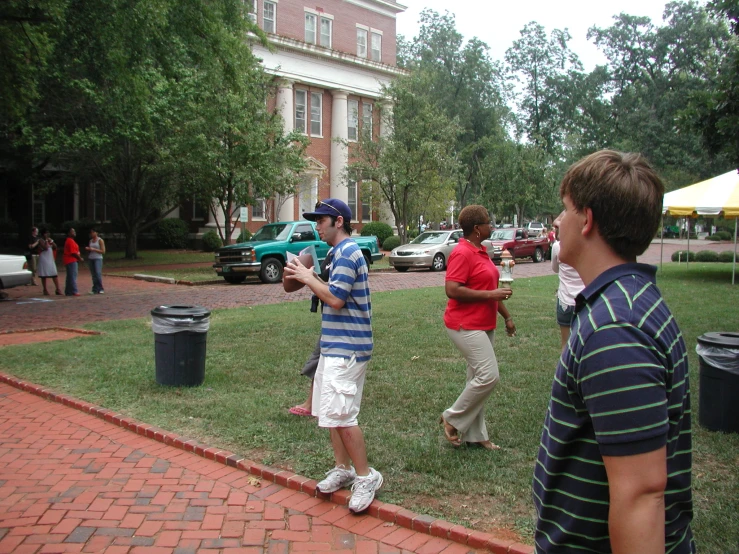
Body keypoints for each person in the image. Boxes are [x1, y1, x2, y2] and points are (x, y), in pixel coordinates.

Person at [533, 150, 694, 553]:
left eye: (565, 208)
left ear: (587, 220)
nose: (557, 220)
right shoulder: (621, 302)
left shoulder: (615, 330)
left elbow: (641, 496)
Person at [283, 198, 381, 514]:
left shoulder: (349, 253)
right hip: (334, 344)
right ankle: (343, 469)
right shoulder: (337, 253)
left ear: (338, 221)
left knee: (342, 415)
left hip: (349, 347)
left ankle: (366, 477)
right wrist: (303, 274)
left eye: (321, 220)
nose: (317, 226)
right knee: (330, 414)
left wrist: (307, 276)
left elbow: (336, 299)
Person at [440, 205, 515, 451]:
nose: (490, 226)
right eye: (487, 222)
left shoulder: (481, 251)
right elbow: (452, 290)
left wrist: (506, 316)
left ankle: (476, 435)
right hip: (464, 323)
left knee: (476, 379)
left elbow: (489, 290)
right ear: (476, 228)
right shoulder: (462, 253)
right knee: (488, 375)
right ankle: (452, 417)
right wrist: (492, 293)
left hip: (484, 323)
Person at [550, 211, 584, 349]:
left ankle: (565, 370)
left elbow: (555, 269)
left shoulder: (558, 247)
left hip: (565, 301)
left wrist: (564, 215)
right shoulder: (584, 245)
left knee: (565, 344)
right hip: (583, 300)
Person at [37, 229, 62, 296]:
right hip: (44, 258)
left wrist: (52, 241)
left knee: (54, 273)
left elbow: (55, 247)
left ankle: (58, 289)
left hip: (50, 258)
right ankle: (45, 289)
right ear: (43, 234)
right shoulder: (40, 240)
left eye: (48, 233)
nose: (47, 234)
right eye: (46, 233)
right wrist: (46, 241)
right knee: (44, 274)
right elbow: (45, 247)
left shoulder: (50, 240)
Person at [63, 228, 83, 296]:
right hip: (71, 260)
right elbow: (73, 252)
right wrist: (79, 258)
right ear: (69, 233)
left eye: (74, 231)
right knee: (72, 276)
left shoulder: (71, 240)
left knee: (70, 276)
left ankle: (68, 291)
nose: (74, 232)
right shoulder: (70, 241)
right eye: (72, 231)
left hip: (70, 260)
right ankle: (74, 290)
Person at [85, 228, 105, 294]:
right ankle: (95, 289)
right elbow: (90, 249)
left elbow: (103, 251)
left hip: (98, 258)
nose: (92, 234)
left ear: (96, 233)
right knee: (93, 275)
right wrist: (89, 249)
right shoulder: (90, 241)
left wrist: (94, 249)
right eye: (91, 233)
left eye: (93, 232)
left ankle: (100, 288)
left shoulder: (100, 240)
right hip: (91, 258)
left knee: (98, 273)